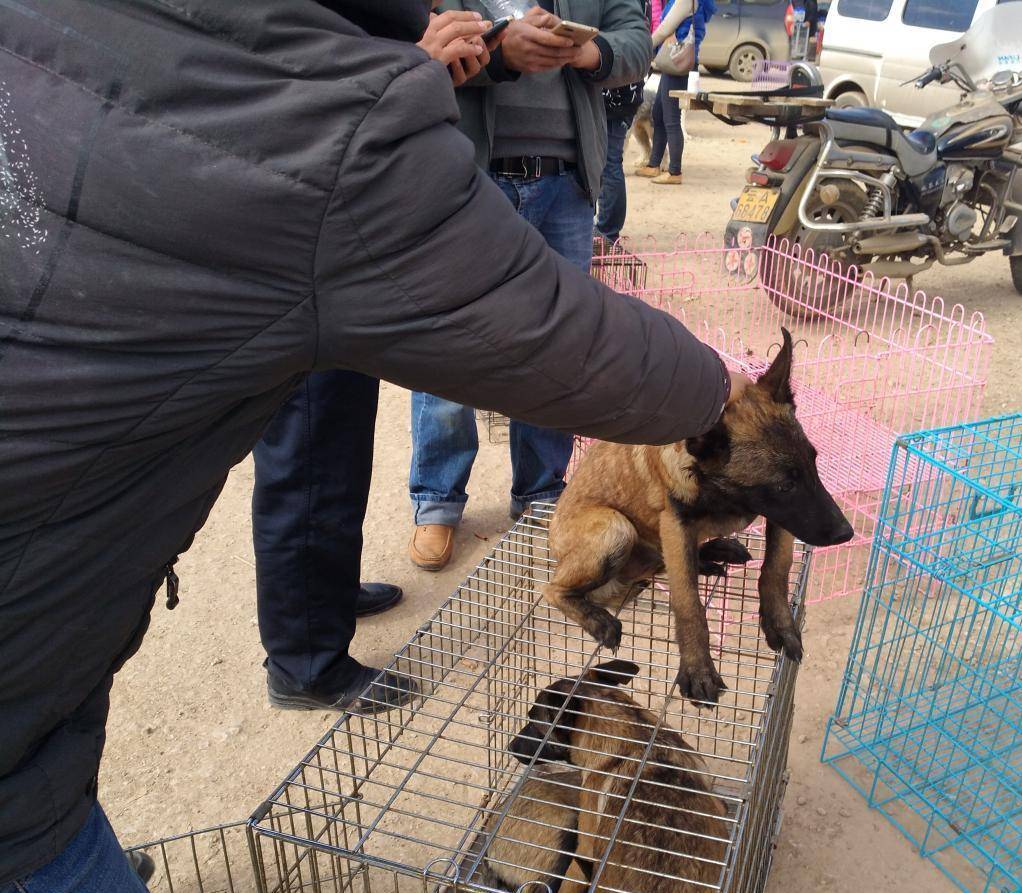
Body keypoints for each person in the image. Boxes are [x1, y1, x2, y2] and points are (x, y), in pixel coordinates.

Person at [0, 0, 747, 888]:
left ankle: (309, 628)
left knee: (322, 461)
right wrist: (731, 403)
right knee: (310, 459)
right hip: (20, 703)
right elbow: (559, 338)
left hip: (48, 589)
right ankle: (306, 660)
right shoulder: (332, 124)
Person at [250, 10, 504, 715]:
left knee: (338, 443)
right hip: (300, 237)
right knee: (307, 452)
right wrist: (411, 66)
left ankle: (322, 598)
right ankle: (303, 663)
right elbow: (286, 87)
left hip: (343, 237)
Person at [407, 0, 651, 573]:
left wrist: (591, 52)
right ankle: (438, 501)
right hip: (469, 177)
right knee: (449, 342)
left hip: (565, 181)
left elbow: (636, 37)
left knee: (558, 348)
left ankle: (541, 495)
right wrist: (499, 52)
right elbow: (416, 42)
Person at [636, 0, 714, 185]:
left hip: (678, 63)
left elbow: (665, 28)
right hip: (674, 61)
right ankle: (654, 164)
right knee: (658, 114)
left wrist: (643, 47)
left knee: (671, 119)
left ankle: (674, 171)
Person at [595, 1, 651, 247]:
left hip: (615, 94)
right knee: (607, 163)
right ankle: (605, 228)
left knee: (608, 164)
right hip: (623, 92)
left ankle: (607, 231)